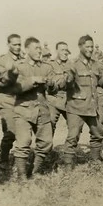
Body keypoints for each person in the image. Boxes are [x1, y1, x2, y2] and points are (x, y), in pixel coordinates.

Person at [12, 37, 65, 178]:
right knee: (23, 143)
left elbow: (53, 90)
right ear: (27, 49)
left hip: (42, 109)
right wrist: (32, 81)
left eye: (40, 48)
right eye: (36, 48)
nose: (39, 51)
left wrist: (52, 84)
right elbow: (15, 89)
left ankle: (35, 172)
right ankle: (22, 177)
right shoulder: (19, 66)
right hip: (23, 110)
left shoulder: (46, 67)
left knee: (46, 143)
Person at [62, 35, 103, 167]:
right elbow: (65, 84)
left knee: (98, 133)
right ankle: (68, 164)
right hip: (76, 107)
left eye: (92, 46)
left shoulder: (96, 64)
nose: (90, 49)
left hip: (92, 106)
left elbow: (102, 82)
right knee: (73, 136)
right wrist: (68, 79)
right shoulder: (73, 64)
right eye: (87, 47)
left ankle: (95, 159)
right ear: (80, 47)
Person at [0, 33, 23, 171]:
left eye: (19, 44)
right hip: (7, 99)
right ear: (8, 44)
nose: (18, 47)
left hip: (21, 100)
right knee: (10, 132)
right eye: (15, 44)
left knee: (23, 133)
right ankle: (3, 161)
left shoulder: (24, 59)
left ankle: (20, 161)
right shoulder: (1, 60)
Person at [47, 41, 70, 136]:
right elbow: (51, 85)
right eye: (62, 50)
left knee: (75, 125)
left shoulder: (72, 65)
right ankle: (46, 149)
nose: (65, 52)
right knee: (50, 123)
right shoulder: (50, 65)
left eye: (66, 50)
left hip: (68, 100)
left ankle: (69, 149)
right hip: (54, 99)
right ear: (57, 51)